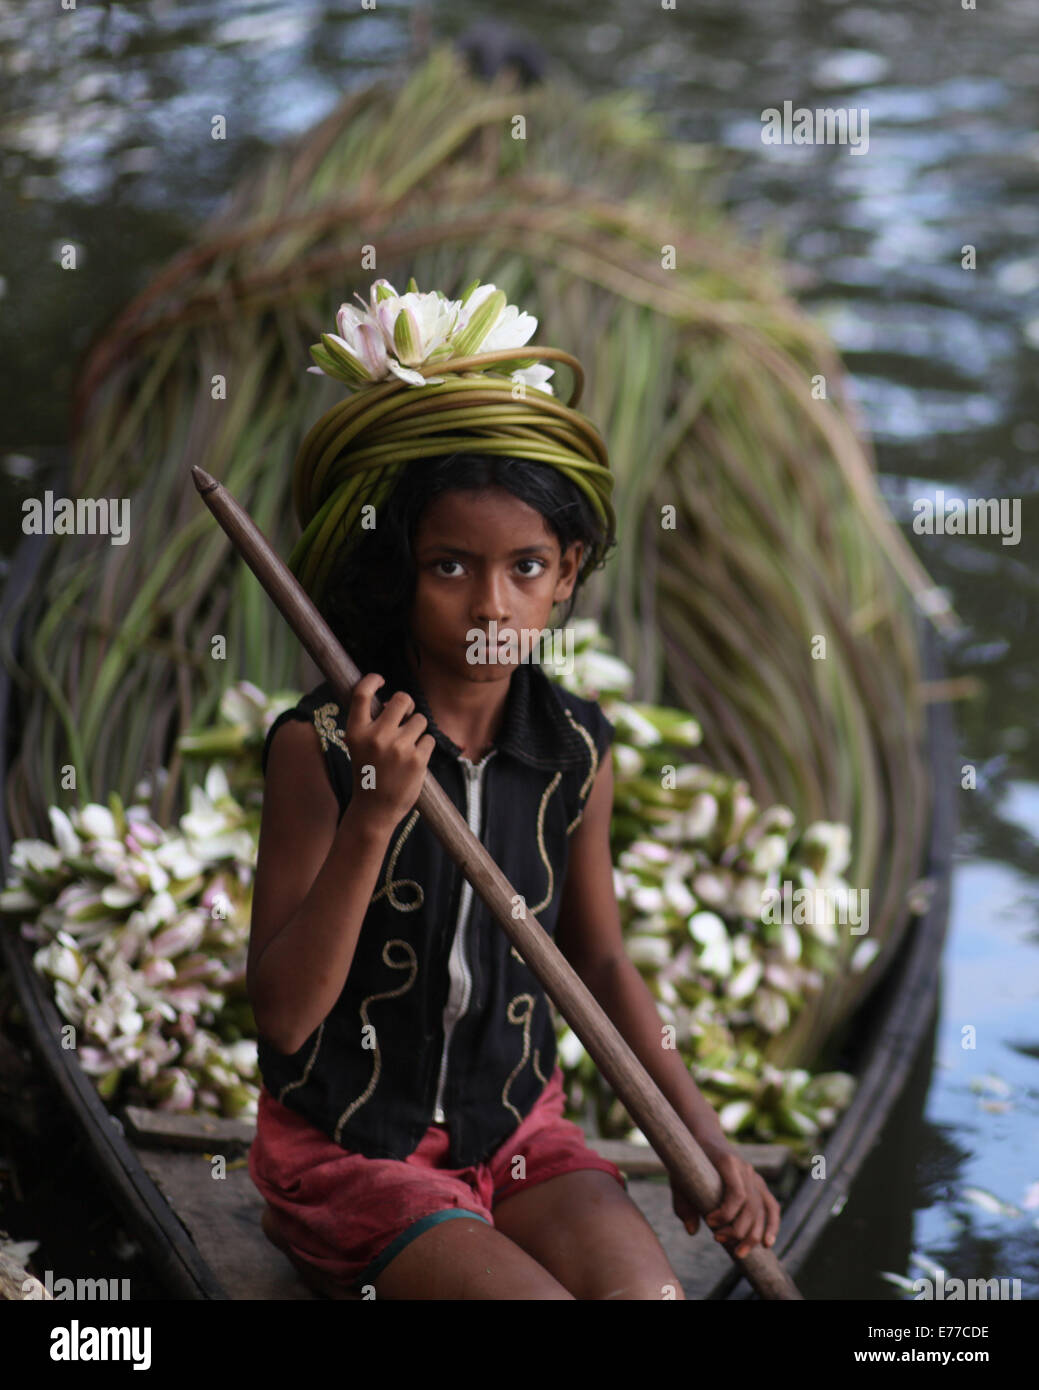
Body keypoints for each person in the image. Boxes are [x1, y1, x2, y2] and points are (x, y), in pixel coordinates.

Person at [246, 278, 781, 1299]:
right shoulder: (319, 744)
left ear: (568, 570)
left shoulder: (577, 746)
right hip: (356, 1154)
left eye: (525, 567)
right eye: (450, 566)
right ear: (402, 567)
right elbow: (281, 1017)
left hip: (521, 1137)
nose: (490, 605)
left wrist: (702, 1145)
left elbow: (603, 958)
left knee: (652, 1296)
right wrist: (374, 813)